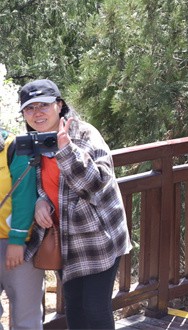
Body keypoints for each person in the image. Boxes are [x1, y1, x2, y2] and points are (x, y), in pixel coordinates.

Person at [23, 79, 130, 330]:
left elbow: (95, 183)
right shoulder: (34, 142)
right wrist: (40, 201)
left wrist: (66, 150)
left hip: (98, 238)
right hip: (65, 240)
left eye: (44, 105)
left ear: (59, 105)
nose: (37, 113)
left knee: (95, 308)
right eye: (29, 108)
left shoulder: (84, 134)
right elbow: (37, 184)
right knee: (74, 307)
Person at [0, 121, 44, 329]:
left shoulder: (14, 147)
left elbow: (25, 197)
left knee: (26, 319)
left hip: (15, 244)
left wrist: (17, 241)